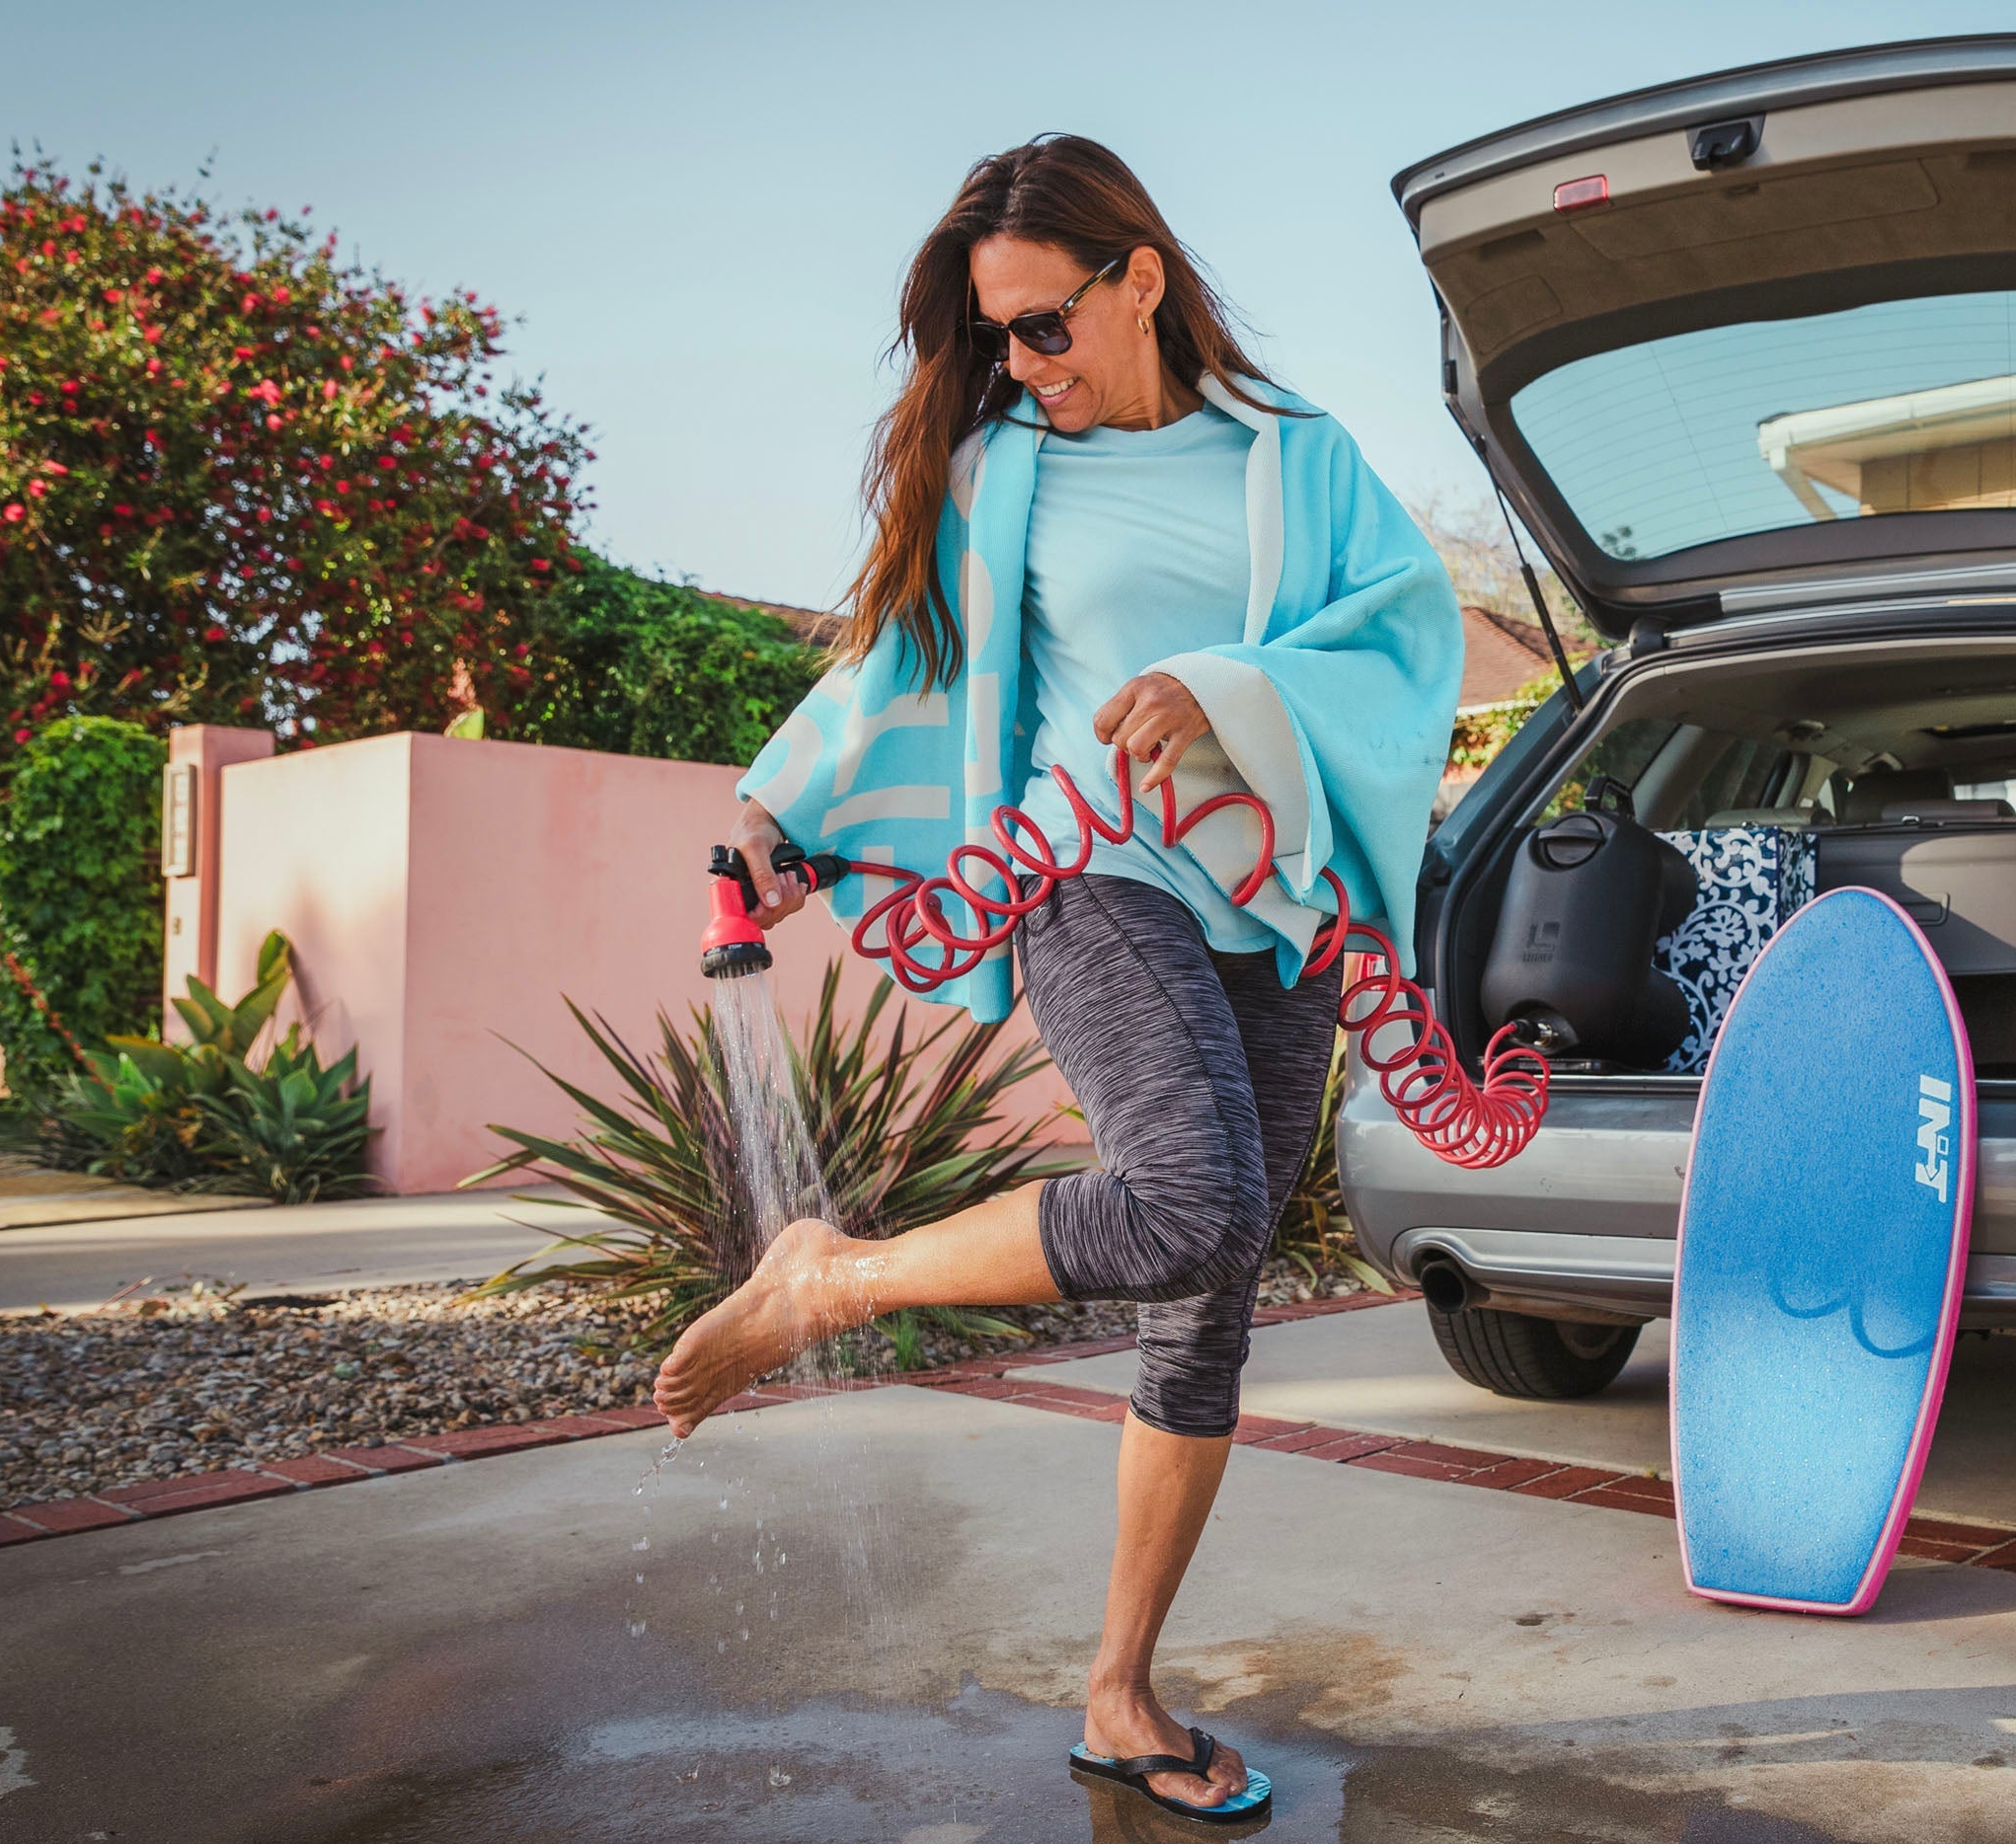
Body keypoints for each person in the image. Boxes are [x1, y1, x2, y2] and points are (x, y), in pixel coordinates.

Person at [655, 133, 1460, 1825]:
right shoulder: (1002, 475)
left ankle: (1118, 1696)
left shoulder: (1298, 461)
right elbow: (907, 665)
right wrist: (776, 817)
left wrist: (1225, 687)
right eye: (995, 336)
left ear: (1140, 279)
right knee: (1180, 1199)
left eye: (1044, 326)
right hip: (1082, 870)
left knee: (1215, 1273)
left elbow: (1405, 638)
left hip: (1281, 896)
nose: (1020, 364)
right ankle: (830, 1280)